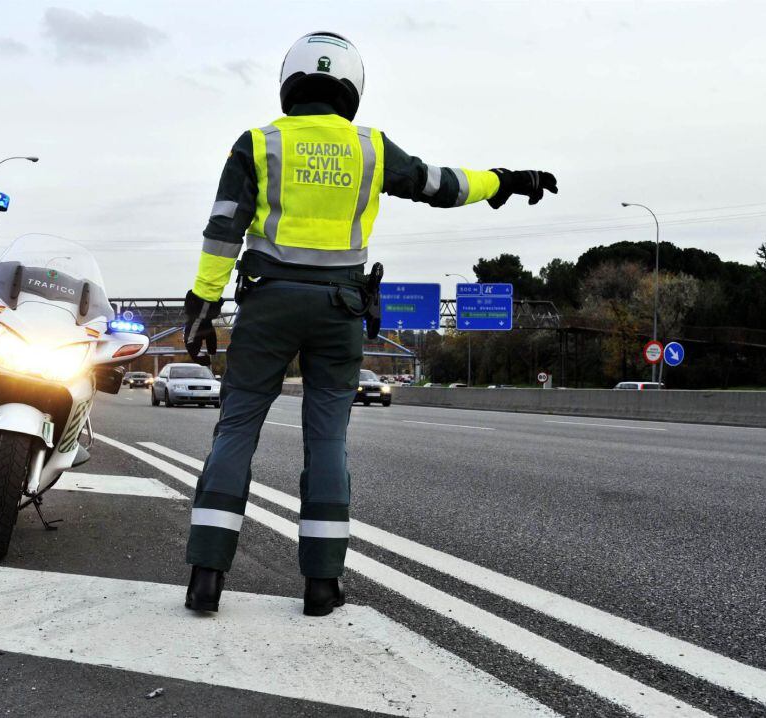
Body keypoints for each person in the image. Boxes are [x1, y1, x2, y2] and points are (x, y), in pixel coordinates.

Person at [182, 31, 557, 616]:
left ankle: (207, 576)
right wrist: (505, 180)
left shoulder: (258, 143)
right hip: (340, 312)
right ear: (351, 86)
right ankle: (322, 585)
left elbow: (223, 228)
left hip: (268, 306)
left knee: (235, 432)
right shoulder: (371, 147)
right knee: (326, 441)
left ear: (290, 82)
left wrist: (202, 308)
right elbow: (440, 184)